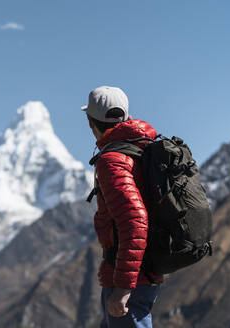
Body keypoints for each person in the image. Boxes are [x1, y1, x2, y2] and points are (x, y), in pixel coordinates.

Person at [82, 86, 164, 328]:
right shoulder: (141, 148)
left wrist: (123, 289)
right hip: (143, 273)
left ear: (90, 121)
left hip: (130, 281)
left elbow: (134, 221)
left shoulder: (112, 161)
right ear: (127, 116)